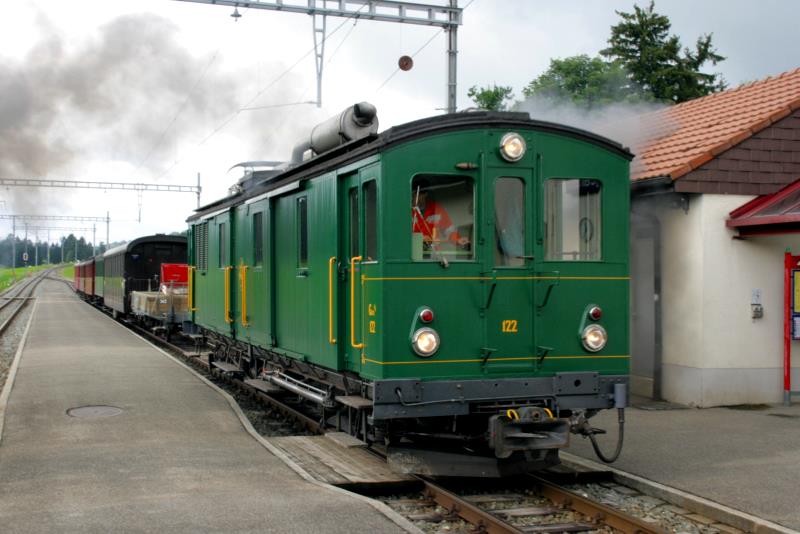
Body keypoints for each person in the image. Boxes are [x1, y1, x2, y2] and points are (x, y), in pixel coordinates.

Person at [412, 183, 470, 248]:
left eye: (418, 194)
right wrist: (419, 238)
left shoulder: (435, 208)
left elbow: (448, 229)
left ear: (425, 194)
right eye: (413, 195)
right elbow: (403, 234)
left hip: (433, 252)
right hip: (412, 251)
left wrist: (458, 239)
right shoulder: (406, 210)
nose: (414, 197)